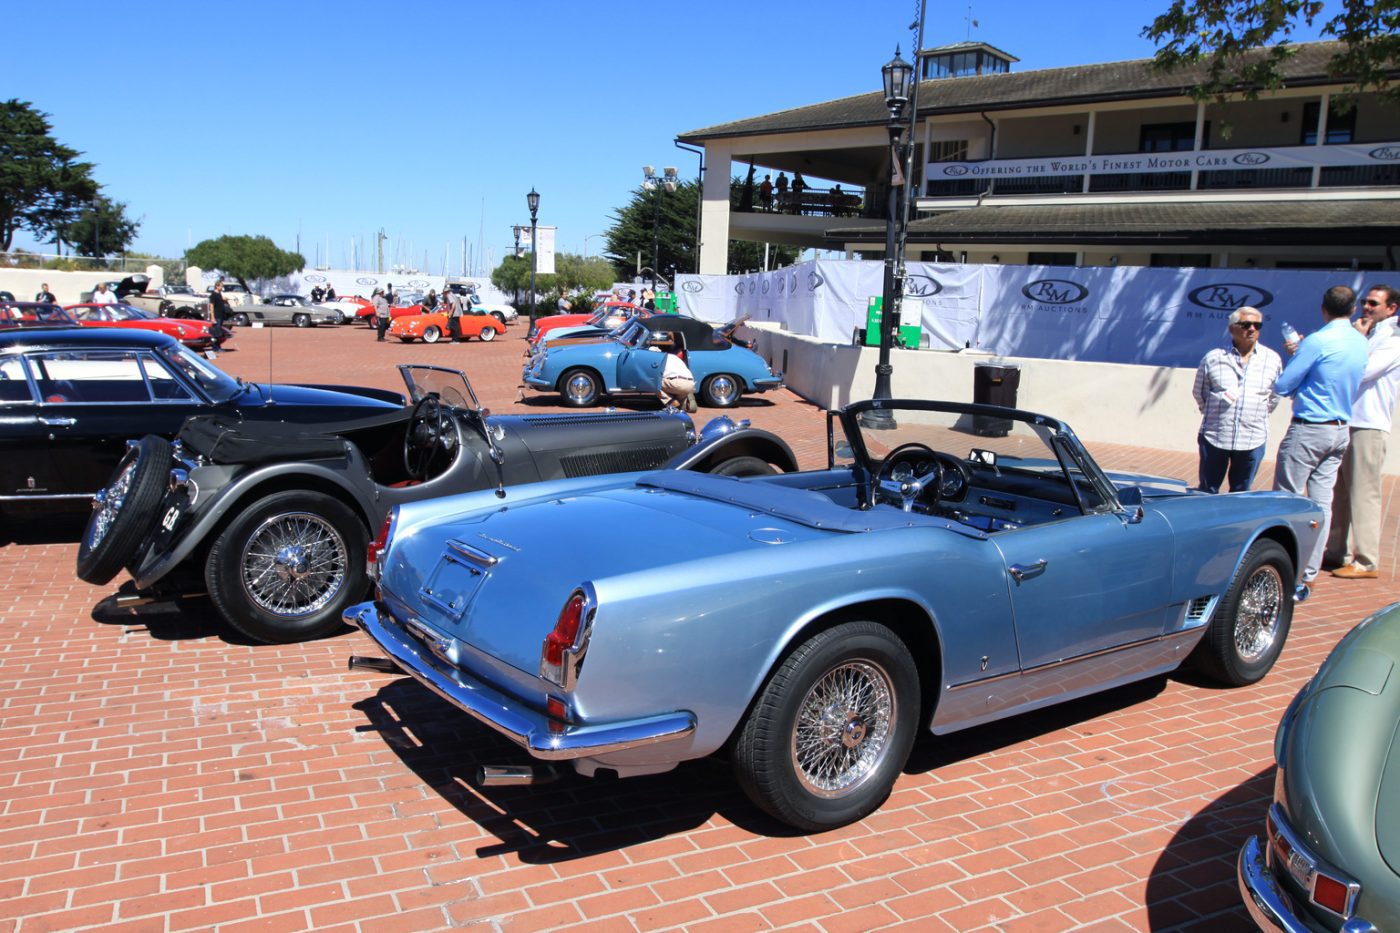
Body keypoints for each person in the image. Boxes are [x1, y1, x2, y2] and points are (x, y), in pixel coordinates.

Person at [1271, 285, 1369, 584]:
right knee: (1321, 504)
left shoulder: (1318, 341)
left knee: (1285, 501)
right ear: (1353, 309)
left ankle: (1286, 569)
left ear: (1323, 308)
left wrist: (1298, 357)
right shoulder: (1361, 341)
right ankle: (1309, 571)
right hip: (1340, 430)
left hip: (1310, 428)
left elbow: (1283, 384)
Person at [1325, 284, 1400, 579]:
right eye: (1365, 302)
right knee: (1340, 491)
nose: (1366, 307)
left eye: (1373, 303)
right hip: (1346, 419)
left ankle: (1367, 559)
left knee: (1364, 493)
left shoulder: (1393, 340)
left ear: (1391, 308)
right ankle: (1335, 551)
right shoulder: (1371, 335)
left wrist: (1356, 338)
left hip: (1369, 423)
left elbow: (1362, 370)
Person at [1191, 306, 1282, 493]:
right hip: (1216, 437)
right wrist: (1217, 413)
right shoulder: (1214, 358)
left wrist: (1254, 413)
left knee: (1241, 494)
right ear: (1232, 328)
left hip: (1252, 439)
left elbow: (1274, 397)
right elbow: (1200, 393)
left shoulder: (1272, 359)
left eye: (1257, 325)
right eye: (1246, 324)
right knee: (1207, 492)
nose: (1252, 329)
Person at [653, 333, 696, 411]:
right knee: (680, 403)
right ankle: (686, 402)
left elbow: (657, 375)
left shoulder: (661, 361)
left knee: (654, 383)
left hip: (677, 384)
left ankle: (670, 401)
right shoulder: (675, 358)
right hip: (691, 384)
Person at [208, 280, 231, 355]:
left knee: (219, 332)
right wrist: (212, 317)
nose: (222, 287)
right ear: (217, 286)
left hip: (220, 315)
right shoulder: (213, 295)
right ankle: (215, 347)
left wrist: (225, 299)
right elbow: (211, 306)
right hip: (216, 316)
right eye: (221, 286)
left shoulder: (219, 294)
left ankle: (218, 347)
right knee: (216, 333)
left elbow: (221, 300)